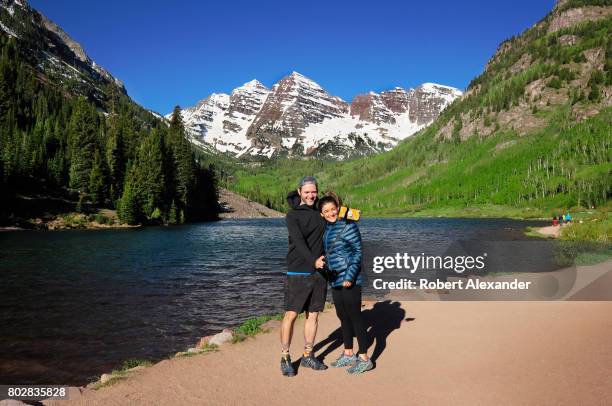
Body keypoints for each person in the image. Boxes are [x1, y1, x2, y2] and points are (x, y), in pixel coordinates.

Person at [318, 193, 373, 374]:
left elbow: (358, 252)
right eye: (326, 211)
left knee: (355, 316)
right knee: (343, 316)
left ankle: (364, 358)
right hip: (334, 279)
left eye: (333, 209)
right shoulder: (326, 229)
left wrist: (350, 276)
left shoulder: (348, 225)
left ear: (338, 208)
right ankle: (348, 353)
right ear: (322, 214)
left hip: (350, 279)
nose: (331, 213)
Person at [280, 176, 328, 377]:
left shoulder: (320, 212)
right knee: (291, 314)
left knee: (313, 314)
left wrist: (351, 215)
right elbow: (299, 243)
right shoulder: (292, 216)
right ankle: (285, 357)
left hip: (319, 272)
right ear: (300, 192)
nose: (311, 195)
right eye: (307, 191)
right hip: (298, 270)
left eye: (314, 191)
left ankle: (308, 354)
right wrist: (313, 261)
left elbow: (337, 213)